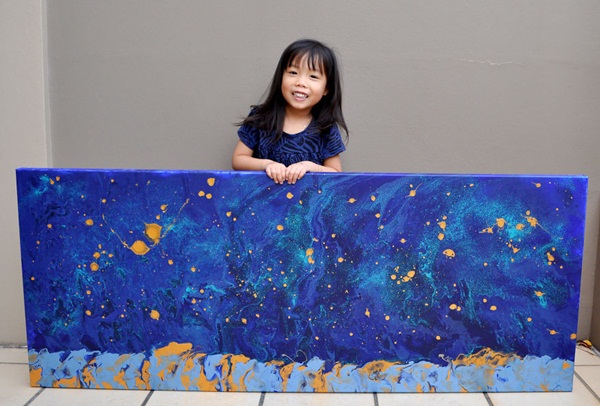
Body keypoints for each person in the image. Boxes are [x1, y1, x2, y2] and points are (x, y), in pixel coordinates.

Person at [232, 39, 348, 184]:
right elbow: (238, 159)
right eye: (293, 72)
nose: (301, 82)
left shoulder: (326, 127)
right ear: (281, 77)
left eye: (313, 76)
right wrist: (267, 165)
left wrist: (310, 167)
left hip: (307, 198)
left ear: (326, 88)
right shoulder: (261, 118)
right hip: (265, 197)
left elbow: (336, 173)